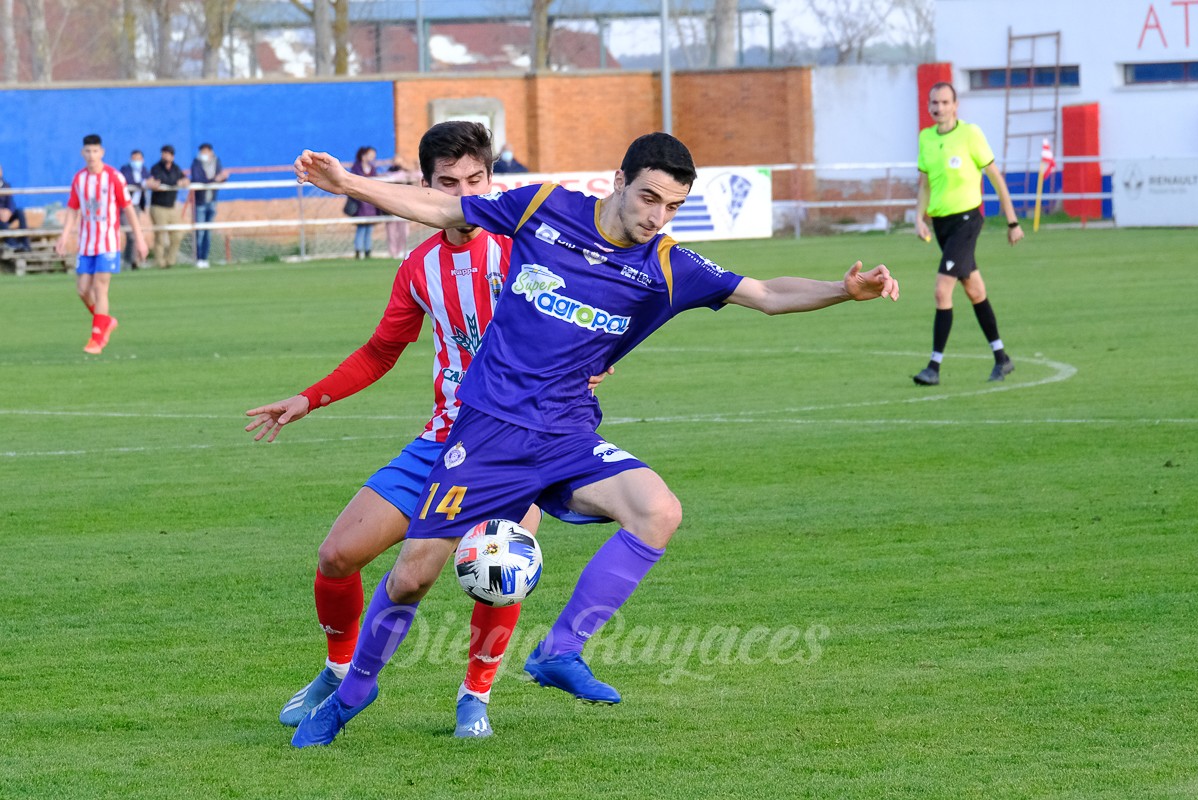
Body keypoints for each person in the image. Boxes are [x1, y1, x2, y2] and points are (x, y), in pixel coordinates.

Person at [288, 131, 899, 747]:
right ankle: (353, 692)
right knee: (412, 578)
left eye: (672, 206)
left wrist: (843, 291)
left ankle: (560, 650)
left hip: (567, 434)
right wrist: (347, 184)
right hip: (489, 430)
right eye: (649, 198)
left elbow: (764, 294)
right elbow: (443, 208)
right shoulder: (544, 206)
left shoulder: (667, 265)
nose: (657, 217)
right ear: (618, 181)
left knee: (658, 510)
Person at [245, 122, 606, 739]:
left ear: (491, 180)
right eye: (448, 183)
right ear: (425, 186)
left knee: (499, 571)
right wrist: (308, 398)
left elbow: (593, 314)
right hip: (441, 441)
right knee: (337, 556)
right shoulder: (419, 267)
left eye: (475, 180)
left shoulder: (528, 249)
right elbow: (380, 352)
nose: (464, 194)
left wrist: (594, 361)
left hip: (517, 446)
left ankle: (475, 698)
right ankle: (338, 670)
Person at [912, 82, 1023, 386]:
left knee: (941, 290)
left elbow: (996, 178)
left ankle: (933, 367)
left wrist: (1012, 222)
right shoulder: (925, 138)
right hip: (942, 226)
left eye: (945, 102)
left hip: (966, 221)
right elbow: (925, 184)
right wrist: (919, 218)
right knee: (974, 291)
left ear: (955, 105)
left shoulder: (970, 134)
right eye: (934, 102)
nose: (939, 107)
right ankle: (1002, 358)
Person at [55, 134, 149, 355]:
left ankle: (97, 339)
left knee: (100, 287)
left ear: (102, 152)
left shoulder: (114, 177)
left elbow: (128, 209)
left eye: (95, 151)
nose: (91, 155)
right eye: (88, 151)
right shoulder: (79, 179)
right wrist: (64, 236)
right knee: (82, 290)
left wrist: (140, 238)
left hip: (108, 243)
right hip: (86, 243)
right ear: (83, 153)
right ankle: (106, 321)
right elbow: (73, 209)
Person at [146, 144, 190, 269]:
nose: (165, 156)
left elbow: (185, 180)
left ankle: (170, 260)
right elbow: (158, 181)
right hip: (158, 206)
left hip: (172, 206)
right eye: (163, 153)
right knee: (160, 235)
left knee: (177, 234)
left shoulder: (176, 168)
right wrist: (176, 182)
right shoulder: (156, 168)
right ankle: (159, 262)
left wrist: (184, 182)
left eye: (167, 153)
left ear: (172, 156)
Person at [189, 143, 230, 269]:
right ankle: (198, 258)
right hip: (200, 202)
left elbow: (220, 177)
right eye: (203, 151)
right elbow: (198, 179)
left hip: (212, 201)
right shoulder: (196, 163)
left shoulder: (216, 162)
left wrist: (223, 178)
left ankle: (205, 258)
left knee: (208, 232)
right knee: (200, 232)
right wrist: (214, 180)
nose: (205, 154)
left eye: (207, 151)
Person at [381, 155, 417, 260]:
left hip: (404, 206)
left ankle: (402, 251)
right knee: (391, 232)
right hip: (391, 206)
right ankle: (393, 252)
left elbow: (416, 176)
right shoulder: (389, 172)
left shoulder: (408, 173)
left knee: (404, 231)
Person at [119, 150, 150, 269]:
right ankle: (129, 261)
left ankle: (132, 261)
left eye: (138, 158)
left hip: (136, 206)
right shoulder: (125, 169)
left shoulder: (144, 170)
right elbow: (127, 181)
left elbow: (149, 180)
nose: (136, 161)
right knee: (131, 234)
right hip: (124, 207)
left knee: (134, 234)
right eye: (134, 158)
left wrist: (151, 182)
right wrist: (143, 183)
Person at [348, 146, 379, 259]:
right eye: (370, 155)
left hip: (370, 203)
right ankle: (358, 250)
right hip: (360, 203)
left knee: (369, 229)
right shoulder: (356, 168)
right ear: (363, 156)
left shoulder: (372, 169)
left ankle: (367, 251)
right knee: (361, 228)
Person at [0, 162, 32, 252]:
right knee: (2, 223)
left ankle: (25, 243)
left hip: (6, 215)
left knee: (20, 212)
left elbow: (11, 202)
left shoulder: (6, 185)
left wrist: (9, 212)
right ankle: (13, 245)